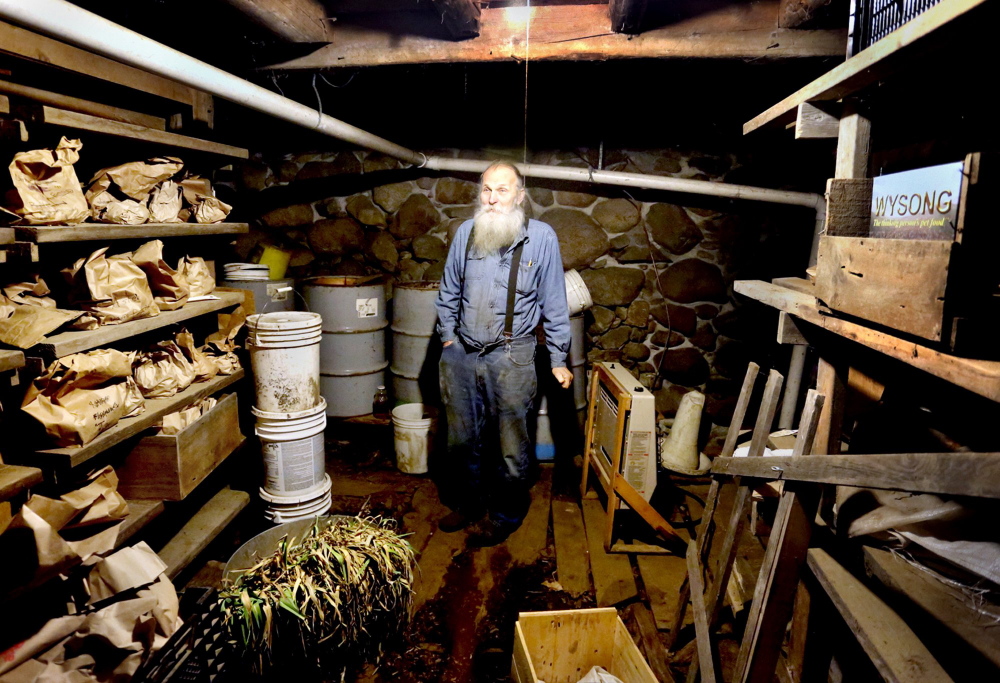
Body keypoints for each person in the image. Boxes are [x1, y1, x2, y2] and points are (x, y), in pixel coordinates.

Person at [434, 161, 573, 547]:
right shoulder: (467, 232)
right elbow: (448, 291)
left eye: (503, 190)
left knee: (511, 445)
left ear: (520, 196)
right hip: (462, 354)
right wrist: (448, 338)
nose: (493, 199)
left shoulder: (542, 238)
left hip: (513, 356)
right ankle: (470, 504)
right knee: (461, 440)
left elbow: (555, 303)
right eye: (486, 190)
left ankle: (506, 514)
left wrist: (559, 358)